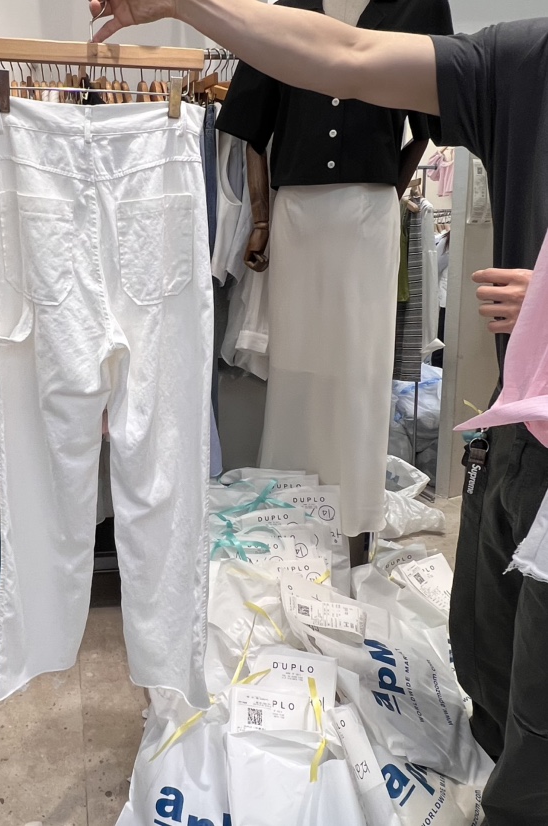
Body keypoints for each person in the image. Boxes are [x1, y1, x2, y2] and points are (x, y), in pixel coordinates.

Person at [90, 2, 548, 824]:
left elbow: (391, 96)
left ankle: (357, 530)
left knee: (366, 378)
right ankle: (297, 530)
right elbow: (339, 58)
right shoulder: (522, 59)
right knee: (485, 656)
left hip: (378, 221)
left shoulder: (433, 13)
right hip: (500, 408)